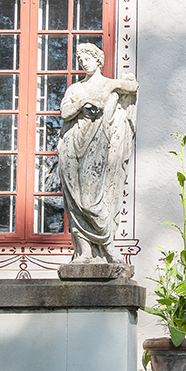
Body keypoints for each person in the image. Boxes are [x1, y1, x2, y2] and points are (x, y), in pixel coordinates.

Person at [57, 42, 138, 265]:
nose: (83, 62)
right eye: (80, 59)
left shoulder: (108, 84)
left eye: (87, 58)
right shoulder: (75, 89)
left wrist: (118, 84)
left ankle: (107, 246)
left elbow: (132, 87)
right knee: (74, 201)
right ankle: (84, 251)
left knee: (91, 200)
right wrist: (82, 102)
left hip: (98, 143)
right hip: (71, 144)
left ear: (98, 60)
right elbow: (65, 112)